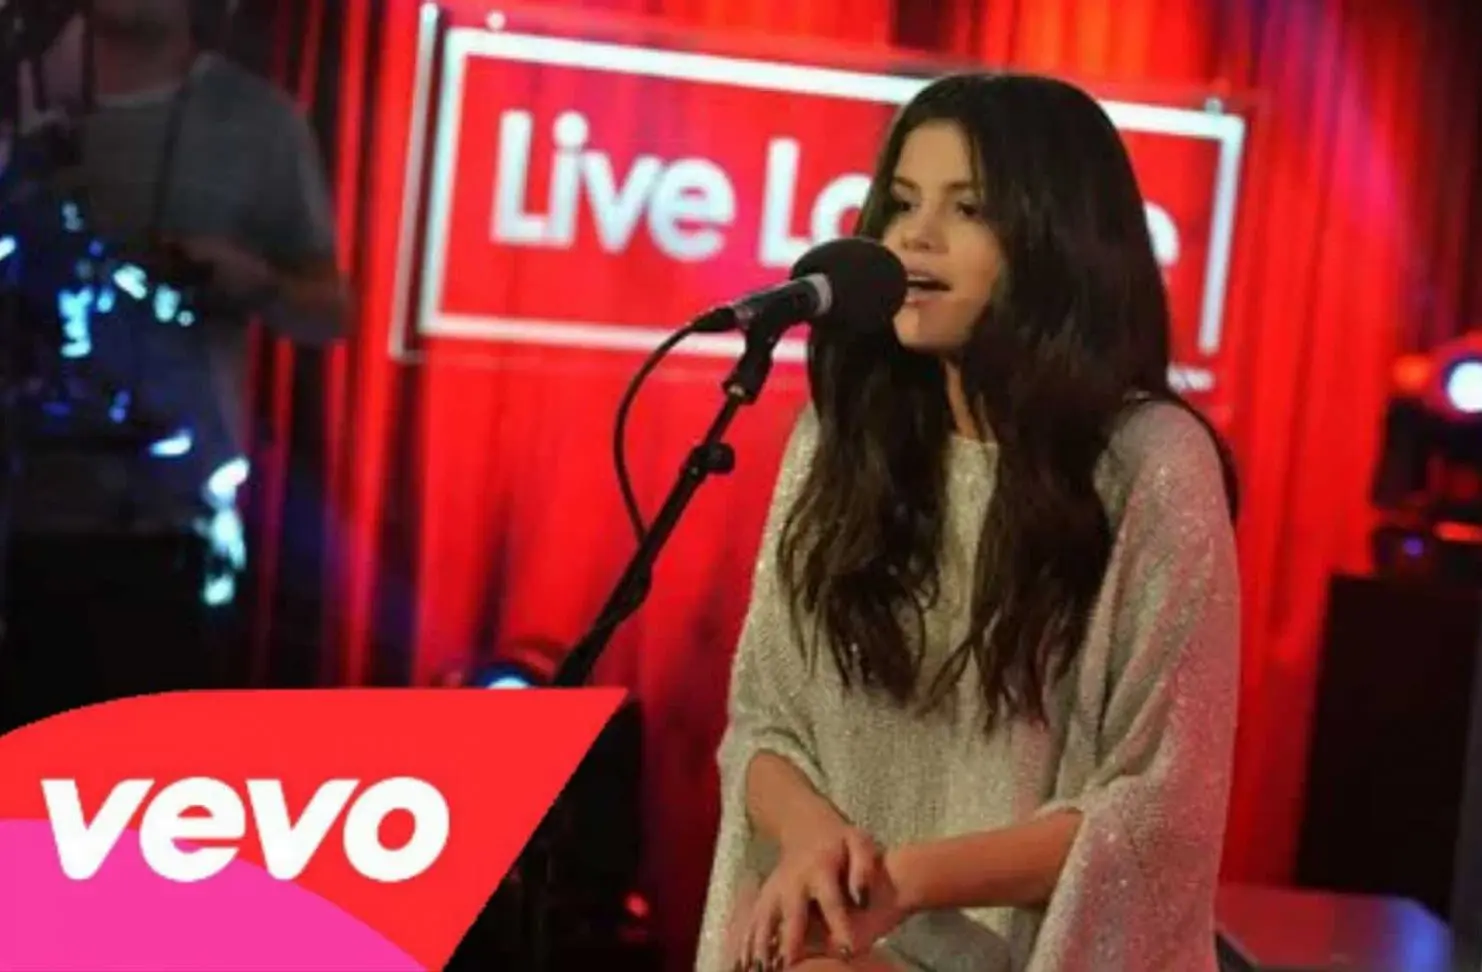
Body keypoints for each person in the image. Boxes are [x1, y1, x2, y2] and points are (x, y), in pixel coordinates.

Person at [696, 73, 1241, 972]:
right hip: (841, 942)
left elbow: (1157, 813)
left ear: (1057, 240)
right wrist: (815, 841)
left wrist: (907, 880)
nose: (916, 235)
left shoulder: (1151, 462)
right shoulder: (839, 437)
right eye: (903, 202)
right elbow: (763, 722)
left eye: (968, 207)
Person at [0, 0, 348, 733]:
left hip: (165, 534)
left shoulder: (260, 124)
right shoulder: (17, 90)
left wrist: (253, 281)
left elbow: (330, 313)